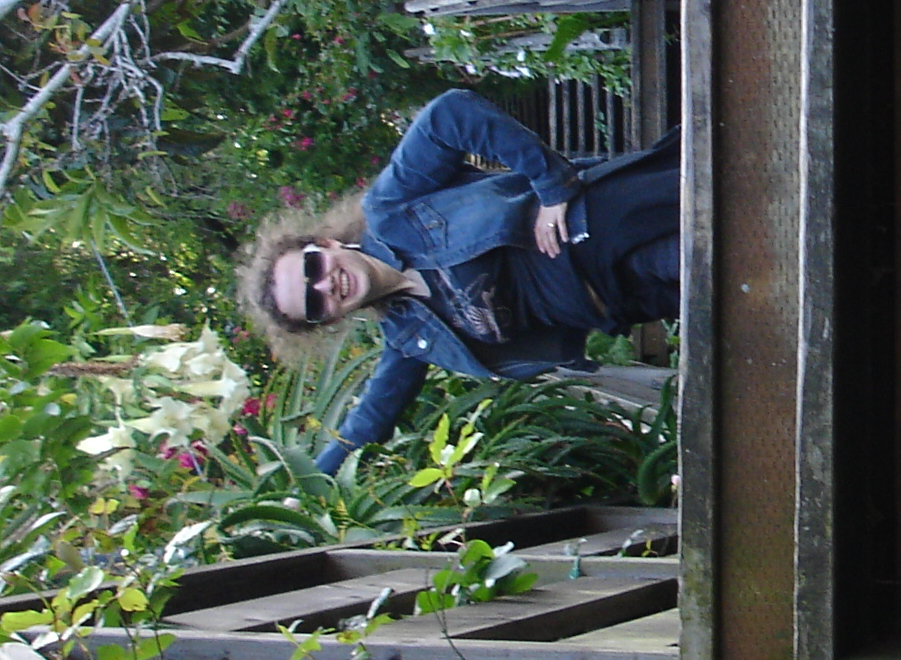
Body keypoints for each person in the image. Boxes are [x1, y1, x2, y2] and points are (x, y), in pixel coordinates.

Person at [239, 89, 679, 475]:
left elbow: (450, 115)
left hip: (605, 230)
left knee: (717, 241)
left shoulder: (391, 210)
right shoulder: (411, 338)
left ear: (324, 244)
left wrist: (550, 183)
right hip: (627, 302)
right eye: (313, 304)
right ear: (329, 320)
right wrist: (311, 484)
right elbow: (370, 422)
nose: (324, 286)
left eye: (312, 269)